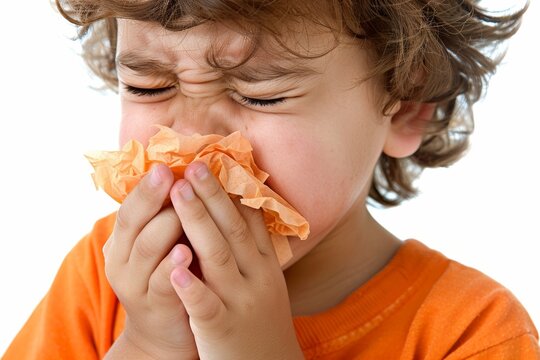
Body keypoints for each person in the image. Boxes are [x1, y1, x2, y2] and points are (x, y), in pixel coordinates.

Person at [4, 0, 539, 358]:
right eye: (148, 85)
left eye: (259, 95)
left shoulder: (469, 333)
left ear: (404, 108)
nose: (192, 140)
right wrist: (147, 345)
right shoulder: (105, 278)